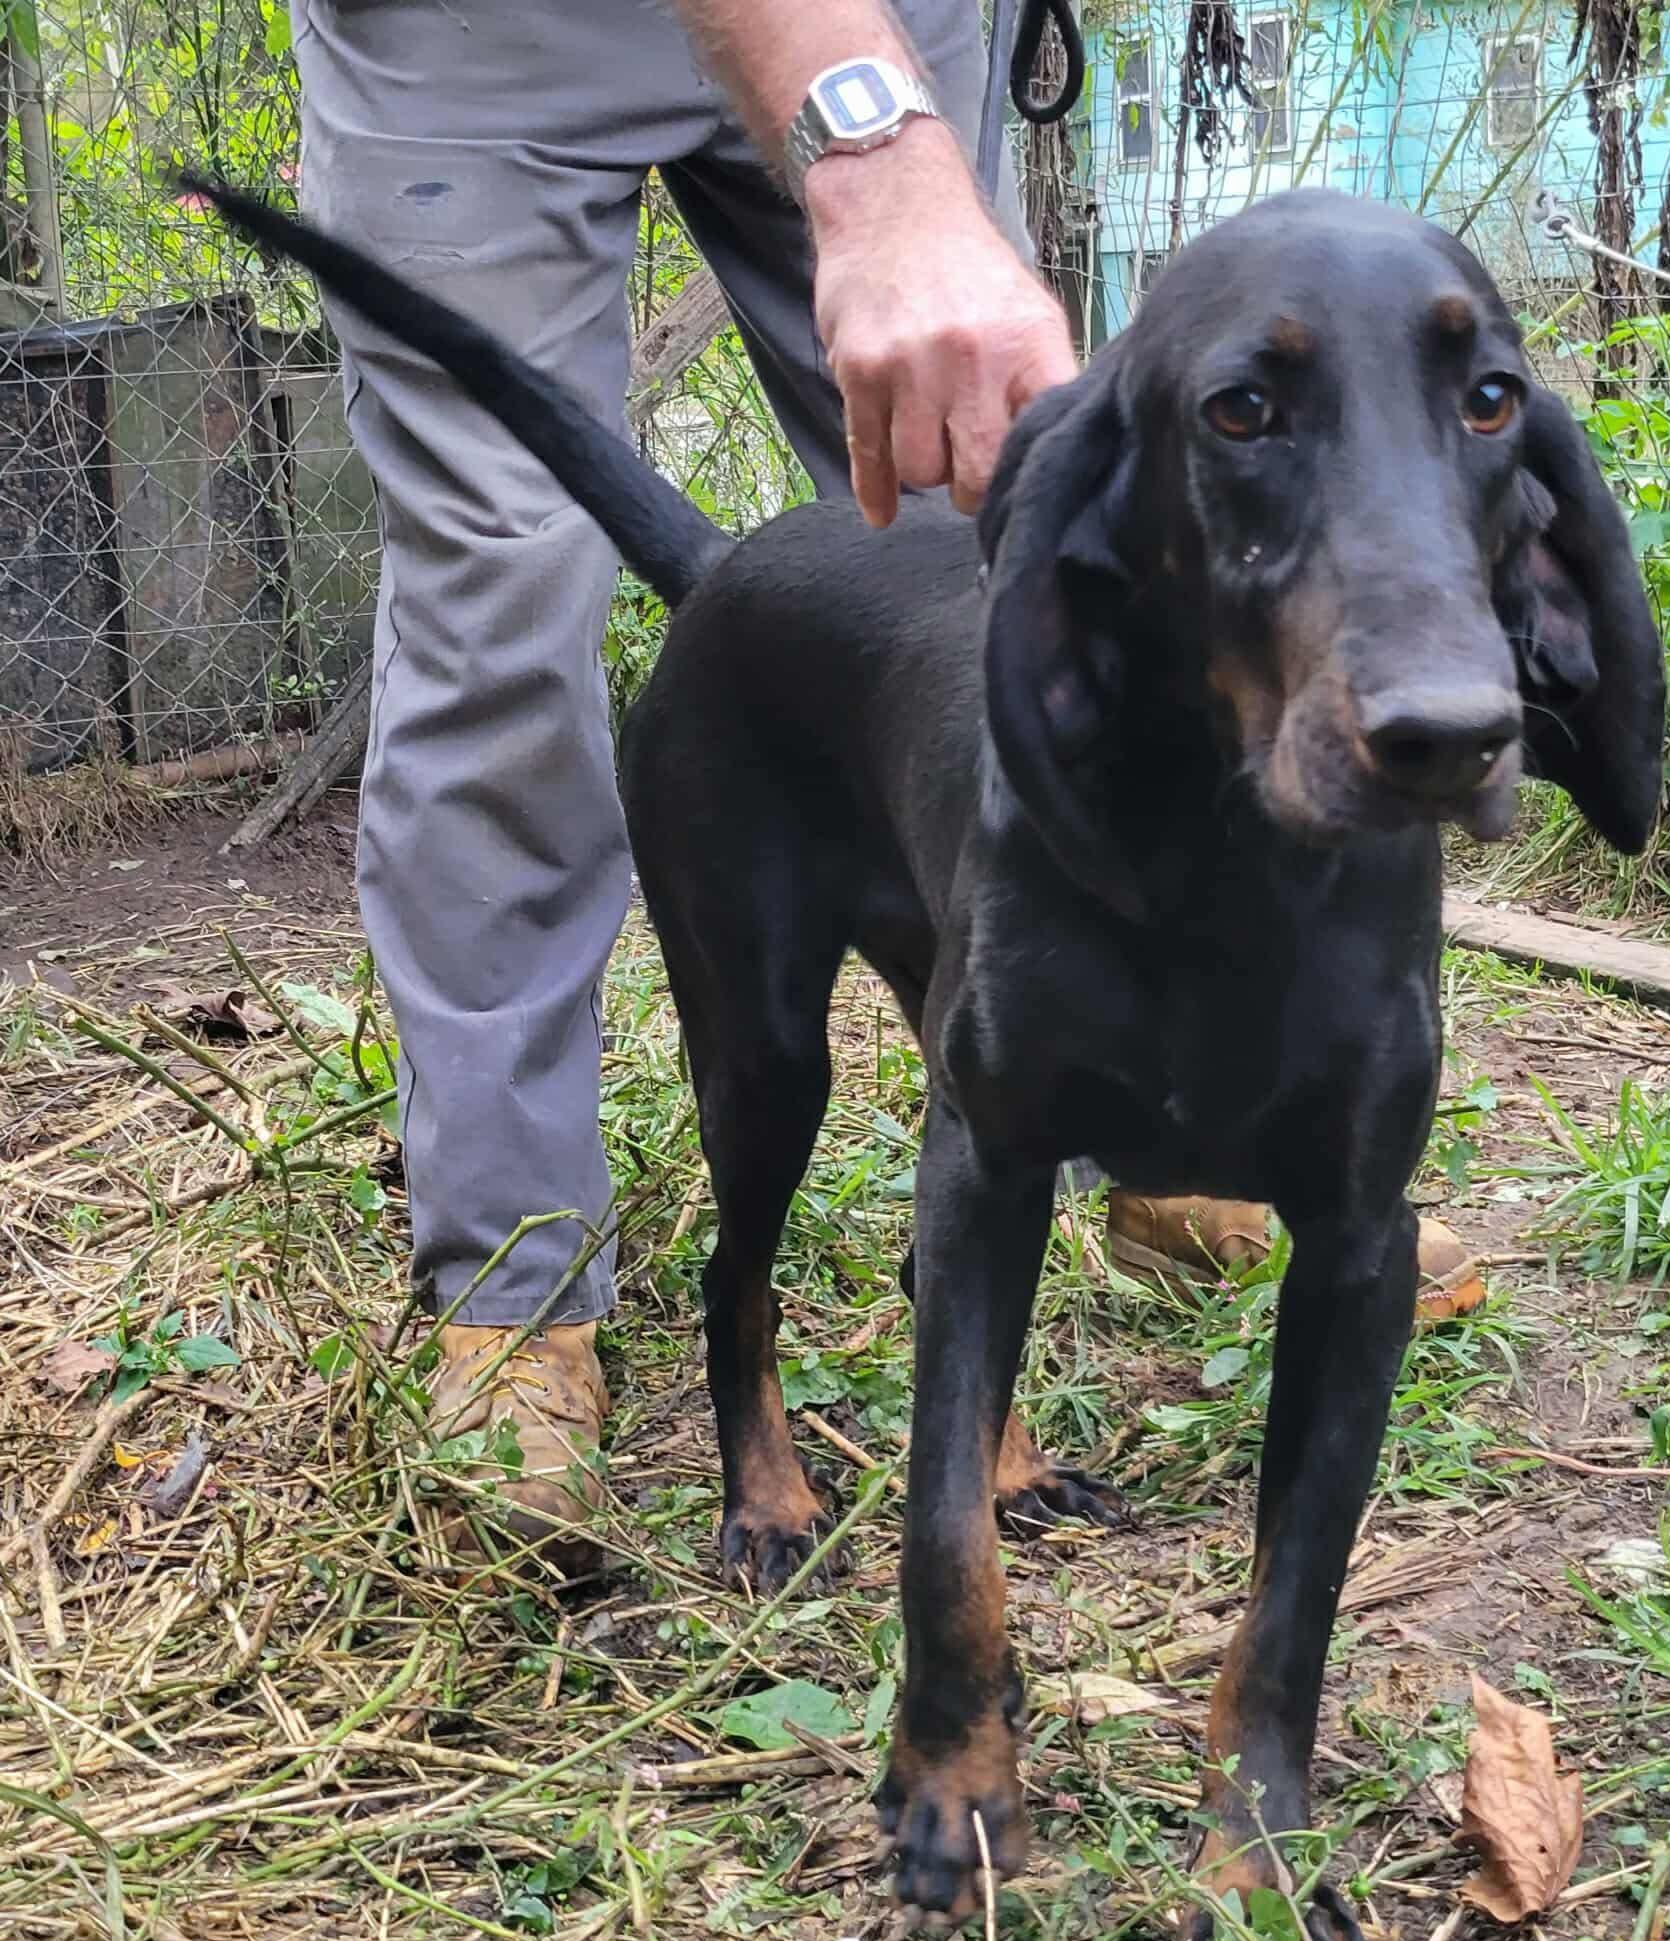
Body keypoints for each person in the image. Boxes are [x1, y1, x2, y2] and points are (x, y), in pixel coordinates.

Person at [296, 0, 1464, 1566]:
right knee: (494, 595)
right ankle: (516, 1300)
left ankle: (1165, 1113)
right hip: (479, 30)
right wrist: (863, 136)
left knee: (983, 521)